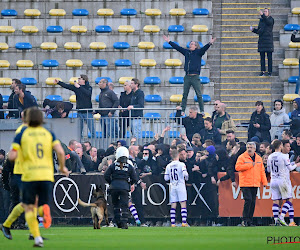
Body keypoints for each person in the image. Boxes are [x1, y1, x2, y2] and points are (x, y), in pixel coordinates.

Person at [2, 108, 69, 247]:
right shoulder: (43, 132)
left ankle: (16, 227)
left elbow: (12, 155)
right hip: (27, 172)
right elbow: (60, 152)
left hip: (28, 172)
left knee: (28, 204)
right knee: (30, 204)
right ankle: (34, 228)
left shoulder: (22, 132)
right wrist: (62, 167)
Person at [162, 35, 216, 113]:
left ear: (196, 46)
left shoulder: (199, 52)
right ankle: (183, 109)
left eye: (192, 44)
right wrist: (169, 41)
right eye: (190, 44)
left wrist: (210, 43)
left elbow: (204, 48)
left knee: (199, 94)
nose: (190, 45)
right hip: (187, 76)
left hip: (195, 76)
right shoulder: (187, 52)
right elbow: (178, 48)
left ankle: (202, 110)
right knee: (185, 94)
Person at [104, 146, 138, 229]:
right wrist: (129, 183)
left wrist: (111, 182)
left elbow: (106, 175)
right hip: (124, 187)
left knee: (115, 205)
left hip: (114, 187)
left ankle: (118, 222)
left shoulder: (112, 165)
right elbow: (135, 178)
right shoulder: (129, 166)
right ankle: (124, 223)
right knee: (124, 205)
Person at [267, 140, 299, 226]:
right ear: (280, 146)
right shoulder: (284, 156)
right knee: (289, 199)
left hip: (273, 180)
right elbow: (290, 168)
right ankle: (281, 217)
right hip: (283, 180)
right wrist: (297, 165)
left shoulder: (270, 156)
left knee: (276, 201)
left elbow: (268, 170)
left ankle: (276, 220)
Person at [235, 142, 268, 227]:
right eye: (248, 147)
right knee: (248, 200)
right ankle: (244, 220)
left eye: (251, 147)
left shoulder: (259, 158)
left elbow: (262, 171)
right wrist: (249, 165)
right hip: (245, 182)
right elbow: (237, 167)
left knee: (253, 202)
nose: (249, 149)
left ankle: (249, 220)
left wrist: (264, 182)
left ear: (255, 149)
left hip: (255, 183)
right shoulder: (242, 157)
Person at [164, 149, 189, 227]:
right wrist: (186, 179)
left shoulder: (168, 165)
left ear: (171, 156)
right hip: (180, 185)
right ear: (178, 155)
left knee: (173, 204)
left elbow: (166, 178)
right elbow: (185, 174)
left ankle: (173, 223)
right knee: (183, 203)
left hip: (172, 185)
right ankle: (184, 222)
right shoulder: (181, 164)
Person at [250, 8, 274, 77]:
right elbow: (259, 31)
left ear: (269, 13)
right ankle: (263, 71)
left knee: (269, 58)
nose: (264, 13)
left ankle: (270, 72)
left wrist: (262, 15)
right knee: (262, 58)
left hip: (268, 41)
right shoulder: (261, 21)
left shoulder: (270, 19)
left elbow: (268, 22)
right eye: (264, 11)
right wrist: (253, 30)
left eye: (266, 11)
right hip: (262, 41)